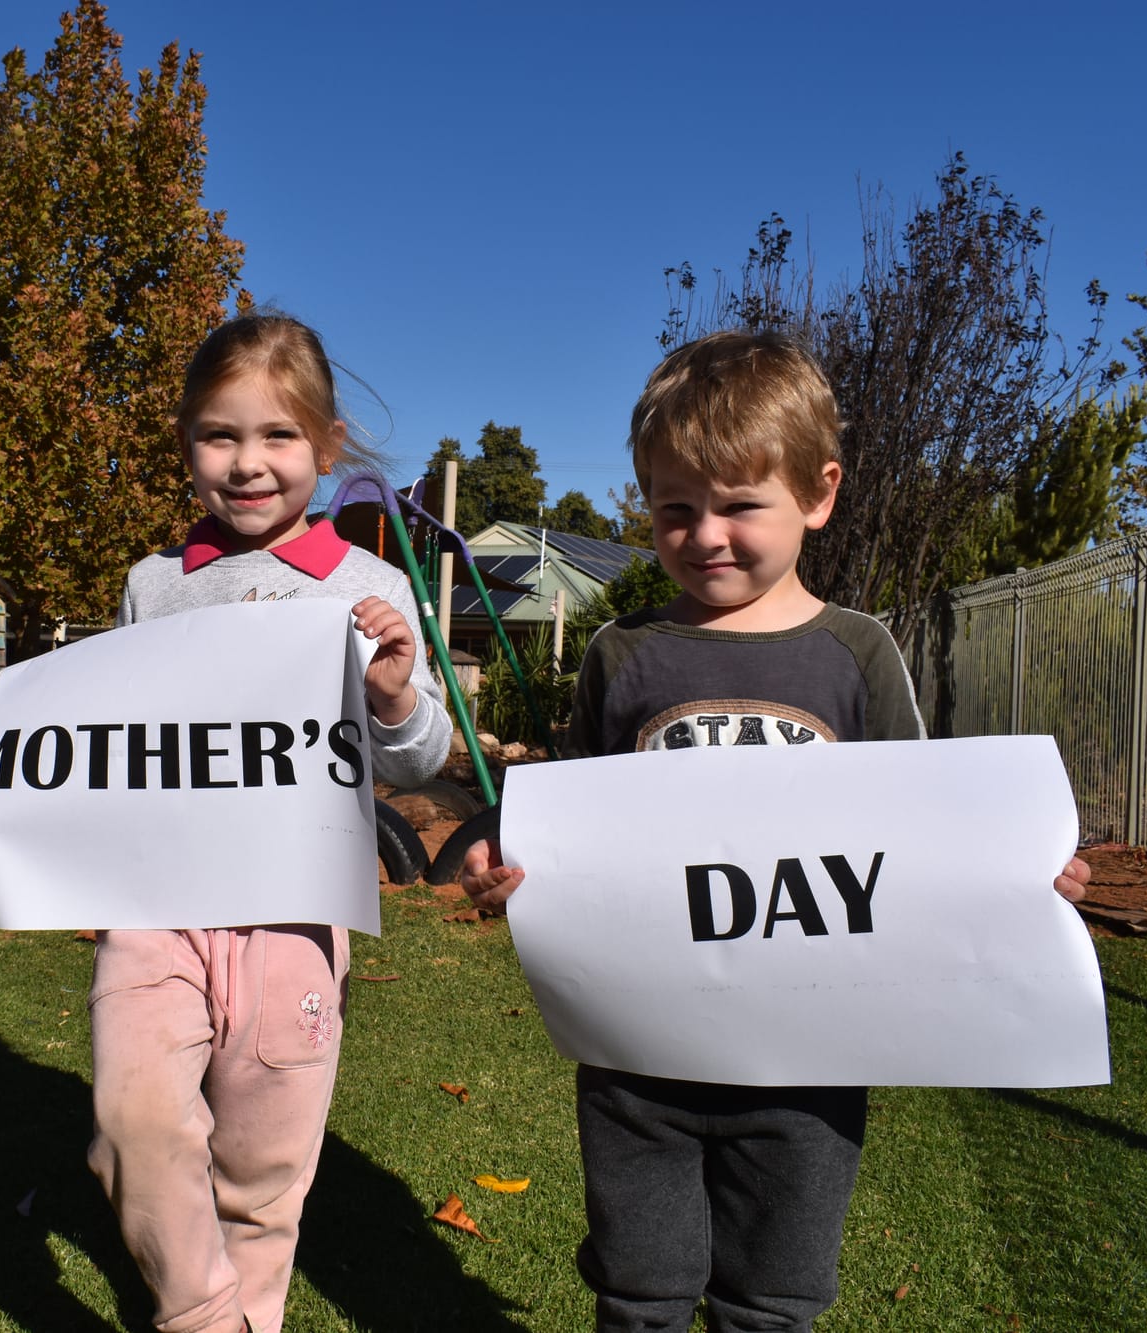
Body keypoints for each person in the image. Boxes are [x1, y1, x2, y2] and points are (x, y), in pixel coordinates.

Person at [459, 330, 1091, 1333]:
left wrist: (1020, 876)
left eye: (737, 504)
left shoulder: (856, 653)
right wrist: (500, 853)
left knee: (772, 1302)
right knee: (639, 1294)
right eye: (674, 509)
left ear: (817, 492)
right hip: (638, 1059)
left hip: (810, 1058)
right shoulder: (620, 654)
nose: (704, 533)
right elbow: (567, 811)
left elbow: (926, 825)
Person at [81, 313, 451, 1333]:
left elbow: (416, 763)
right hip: (158, 910)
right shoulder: (151, 585)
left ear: (326, 449)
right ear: (185, 444)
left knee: (262, 1174)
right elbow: (117, 748)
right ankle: (202, 1319)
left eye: (277, 437)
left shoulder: (370, 591)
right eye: (218, 435)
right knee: (132, 1117)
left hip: (293, 923)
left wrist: (390, 697)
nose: (247, 464)